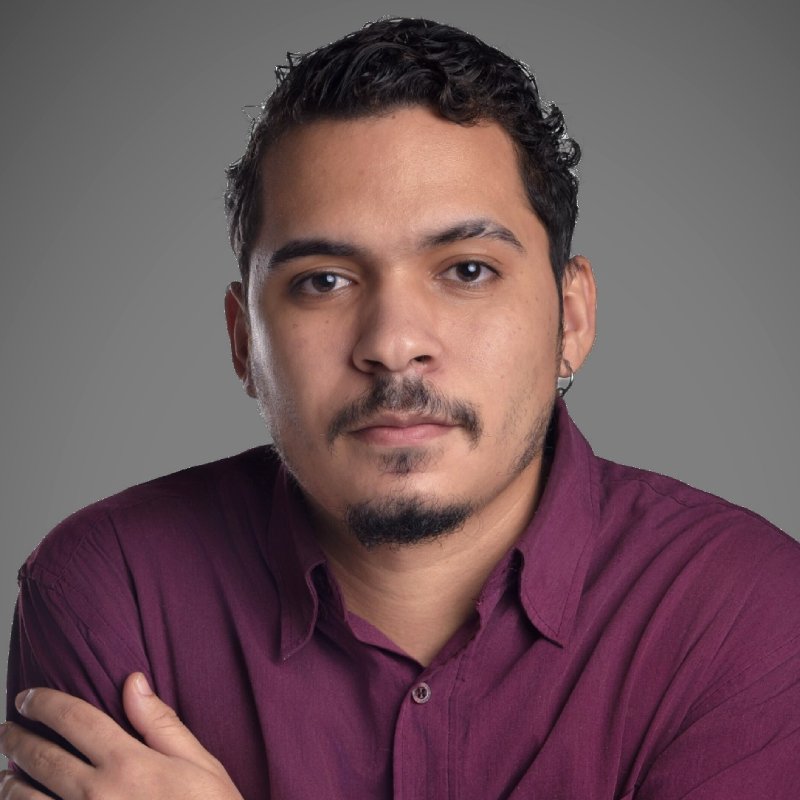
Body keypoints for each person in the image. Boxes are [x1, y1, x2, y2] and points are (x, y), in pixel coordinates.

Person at [2, 16, 799, 800]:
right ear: (244, 342)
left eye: (467, 271)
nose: (393, 343)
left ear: (572, 317)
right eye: (323, 281)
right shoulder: (112, 592)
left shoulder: (746, 610)